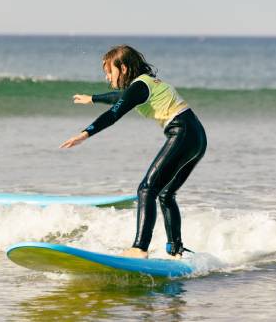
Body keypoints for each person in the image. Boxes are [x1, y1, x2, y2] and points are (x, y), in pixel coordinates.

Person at [60, 45, 207, 259]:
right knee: (165, 194)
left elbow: (115, 112)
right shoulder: (145, 84)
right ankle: (176, 250)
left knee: (147, 189)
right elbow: (119, 98)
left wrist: (85, 133)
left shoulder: (140, 87)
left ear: (125, 68)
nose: (107, 76)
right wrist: (93, 98)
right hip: (197, 136)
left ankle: (139, 248)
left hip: (182, 132)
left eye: (110, 71)